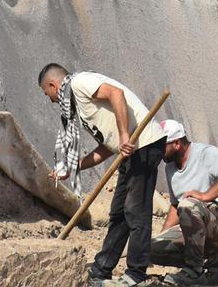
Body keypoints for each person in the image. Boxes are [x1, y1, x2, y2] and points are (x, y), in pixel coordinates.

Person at [38, 64, 166, 287]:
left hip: (143, 142)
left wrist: (125, 134)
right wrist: (74, 167)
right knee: (118, 212)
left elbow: (116, 93)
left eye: (46, 93)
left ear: (52, 85)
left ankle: (136, 274)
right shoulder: (78, 102)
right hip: (129, 150)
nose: (50, 100)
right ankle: (102, 269)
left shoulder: (80, 83)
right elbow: (107, 147)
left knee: (136, 210)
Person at [150, 120, 218, 286]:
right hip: (200, 224)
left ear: (176, 143)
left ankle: (193, 272)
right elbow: (175, 205)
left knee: (189, 204)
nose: (158, 151)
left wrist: (206, 196)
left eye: (161, 145)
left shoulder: (205, 153)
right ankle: (216, 261)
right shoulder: (170, 169)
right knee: (152, 248)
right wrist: (163, 236)